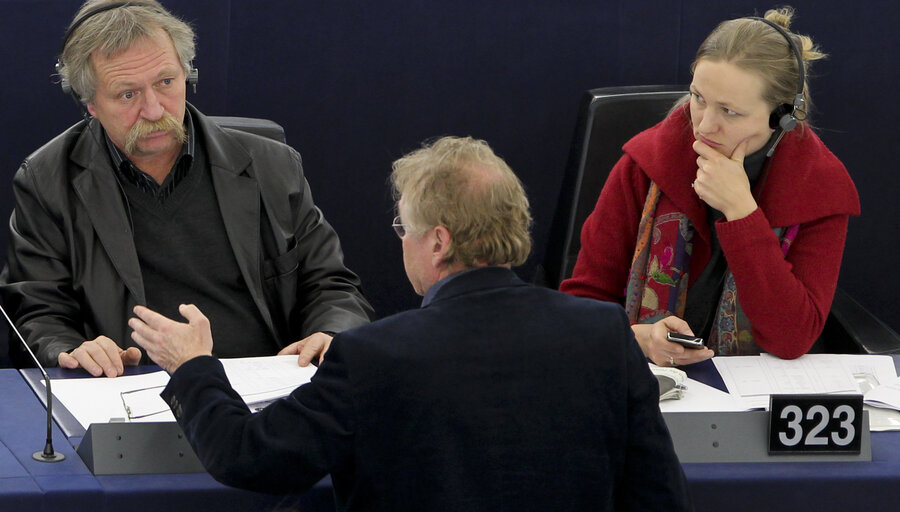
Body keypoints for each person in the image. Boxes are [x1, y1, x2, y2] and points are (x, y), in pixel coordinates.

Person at [129, 136, 693, 510]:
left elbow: (248, 457)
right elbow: (660, 497)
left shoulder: (375, 356)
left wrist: (195, 366)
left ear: (439, 241)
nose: (402, 241)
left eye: (404, 228)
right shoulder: (602, 334)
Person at [0, 0, 373, 376]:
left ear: (188, 74)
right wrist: (72, 351)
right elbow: (35, 313)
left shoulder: (272, 166)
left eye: (165, 82)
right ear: (90, 104)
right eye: (127, 94)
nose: (154, 110)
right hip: (127, 397)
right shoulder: (47, 181)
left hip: (263, 389)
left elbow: (330, 285)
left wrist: (330, 332)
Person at [560, 7, 859, 367]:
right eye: (698, 98)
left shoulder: (821, 188)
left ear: (783, 115)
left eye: (729, 112)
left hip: (755, 392)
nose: (704, 126)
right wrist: (638, 337)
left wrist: (742, 214)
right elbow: (582, 306)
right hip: (649, 380)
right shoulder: (646, 164)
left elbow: (791, 338)